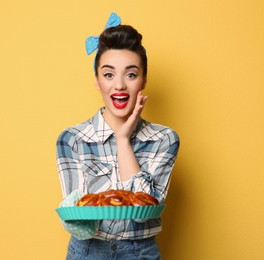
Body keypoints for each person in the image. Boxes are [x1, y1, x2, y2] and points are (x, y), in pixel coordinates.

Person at [56, 12, 180, 259]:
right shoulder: (71, 139)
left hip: (139, 252)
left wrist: (123, 140)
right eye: (109, 74)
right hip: (87, 251)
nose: (120, 85)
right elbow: (79, 218)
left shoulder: (165, 139)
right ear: (97, 81)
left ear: (143, 80)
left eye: (131, 74)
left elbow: (146, 210)